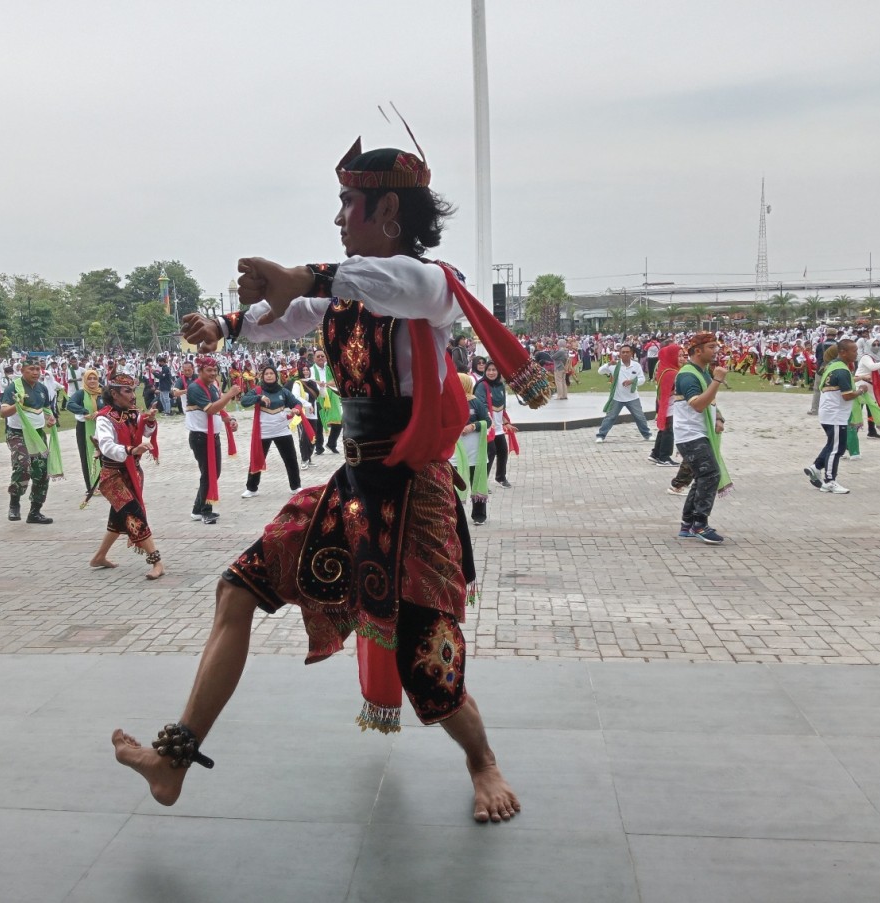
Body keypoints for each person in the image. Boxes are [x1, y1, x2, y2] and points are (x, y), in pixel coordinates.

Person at [112, 135, 551, 824]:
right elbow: (280, 318)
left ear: (389, 215)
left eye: (349, 203)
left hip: (416, 494)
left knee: (424, 666)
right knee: (236, 590)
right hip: (354, 488)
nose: (339, 217)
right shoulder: (341, 294)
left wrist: (299, 277)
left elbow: (383, 283)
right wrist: (226, 322)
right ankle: (174, 760)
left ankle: (482, 761)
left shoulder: (431, 287)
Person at [88, 374, 164, 579]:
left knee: (119, 516)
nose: (133, 396)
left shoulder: (133, 413)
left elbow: (144, 431)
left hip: (132, 473)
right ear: (114, 394)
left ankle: (99, 556)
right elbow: (106, 447)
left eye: (133, 390)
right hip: (113, 476)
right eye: (127, 391)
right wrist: (132, 450)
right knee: (134, 514)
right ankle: (156, 561)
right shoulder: (104, 418)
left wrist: (150, 421)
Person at [670, 334, 731, 543]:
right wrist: (717, 380)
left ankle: (688, 524)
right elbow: (697, 404)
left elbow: (710, 401)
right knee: (711, 474)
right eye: (712, 347)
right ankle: (700, 524)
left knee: (703, 475)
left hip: (699, 433)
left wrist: (719, 418)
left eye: (717, 347)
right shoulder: (687, 375)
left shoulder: (702, 372)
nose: (716, 351)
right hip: (690, 435)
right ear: (698, 350)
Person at [0, 357, 60, 524]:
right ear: (22, 371)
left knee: (42, 472)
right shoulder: (14, 388)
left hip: (38, 434)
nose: (35, 372)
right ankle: (14, 503)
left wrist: (50, 419)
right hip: (17, 434)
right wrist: (16, 405)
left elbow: (46, 409)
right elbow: (3, 413)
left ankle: (35, 512)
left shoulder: (42, 388)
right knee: (23, 465)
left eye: (37, 369)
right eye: (30, 369)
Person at [804, 340, 867, 495]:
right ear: (843, 352)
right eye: (853, 350)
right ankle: (830, 480)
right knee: (837, 448)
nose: (856, 353)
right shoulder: (842, 371)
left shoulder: (833, 366)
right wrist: (860, 391)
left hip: (829, 413)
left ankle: (816, 467)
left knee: (833, 444)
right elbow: (847, 396)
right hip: (835, 414)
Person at [185, 357, 241, 525]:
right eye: (209, 370)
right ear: (200, 371)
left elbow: (219, 409)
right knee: (209, 473)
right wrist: (230, 394)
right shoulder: (195, 388)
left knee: (212, 473)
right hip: (200, 438)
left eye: (215, 370)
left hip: (212, 436)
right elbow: (211, 410)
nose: (213, 373)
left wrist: (230, 419)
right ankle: (205, 511)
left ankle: (197, 509)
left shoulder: (213, 386)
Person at [240, 364, 303, 498]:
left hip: (282, 431)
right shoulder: (257, 390)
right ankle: (251, 488)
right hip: (263, 432)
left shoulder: (283, 391)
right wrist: (259, 398)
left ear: (276, 376)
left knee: (291, 459)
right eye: (266, 374)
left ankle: (295, 486)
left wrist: (296, 409)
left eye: (271, 373)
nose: (269, 376)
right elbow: (244, 401)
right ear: (263, 376)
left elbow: (297, 403)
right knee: (256, 459)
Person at [452, 372, 490, 525]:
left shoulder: (476, 402)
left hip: (475, 451)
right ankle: (454, 515)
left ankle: (479, 515)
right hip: (455, 452)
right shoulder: (449, 401)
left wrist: (473, 426)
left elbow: (487, 421)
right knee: (453, 485)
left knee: (477, 480)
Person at [595, 344, 650, 443]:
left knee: (640, 417)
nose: (625, 354)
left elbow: (642, 379)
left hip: (632, 397)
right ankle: (601, 435)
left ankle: (647, 434)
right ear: (619, 354)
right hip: (617, 397)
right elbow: (600, 371)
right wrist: (608, 364)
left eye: (627, 352)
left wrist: (632, 381)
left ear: (631, 353)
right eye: (623, 352)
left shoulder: (636, 365)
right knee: (610, 417)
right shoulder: (614, 365)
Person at [475, 362, 517, 488]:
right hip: (488, 428)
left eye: (494, 370)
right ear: (485, 371)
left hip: (498, 428)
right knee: (490, 452)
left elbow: (502, 408)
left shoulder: (500, 385)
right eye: (489, 370)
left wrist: (506, 423)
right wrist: (490, 423)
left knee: (503, 452)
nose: (491, 372)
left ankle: (500, 477)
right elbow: (481, 406)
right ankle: (481, 482)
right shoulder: (481, 386)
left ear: (498, 372)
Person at [66, 369, 102, 494]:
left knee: (104, 455)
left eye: (95, 378)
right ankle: (91, 486)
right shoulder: (81, 393)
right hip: (84, 428)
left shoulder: (102, 392)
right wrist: (84, 411)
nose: (92, 381)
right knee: (87, 455)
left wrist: (100, 413)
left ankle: (104, 484)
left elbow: (111, 406)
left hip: (102, 428)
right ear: (85, 380)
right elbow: (69, 404)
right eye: (89, 379)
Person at [648, 343, 684, 467]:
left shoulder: (665, 369)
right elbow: (672, 391)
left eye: (682, 356)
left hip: (666, 406)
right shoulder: (671, 373)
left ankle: (656, 453)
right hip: (670, 406)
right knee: (669, 431)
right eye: (678, 356)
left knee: (663, 430)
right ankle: (664, 457)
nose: (681, 358)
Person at [310, 349, 342, 453]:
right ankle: (319, 447)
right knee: (318, 424)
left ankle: (331, 444)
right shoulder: (311, 370)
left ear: (325, 358)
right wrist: (324, 384)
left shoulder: (331, 369)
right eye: (318, 356)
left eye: (322, 356)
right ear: (314, 358)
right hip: (318, 397)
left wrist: (325, 384)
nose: (320, 358)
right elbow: (312, 381)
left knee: (338, 422)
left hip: (332, 397)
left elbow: (336, 380)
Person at [807, 327, 838, 416]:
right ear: (835, 335)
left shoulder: (820, 345)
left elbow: (817, 357)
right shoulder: (838, 345)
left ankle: (815, 410)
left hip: (821, 369)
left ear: (826, 335)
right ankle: (832, 411)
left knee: (817, 390)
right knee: (834, 391)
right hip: (835, 370)